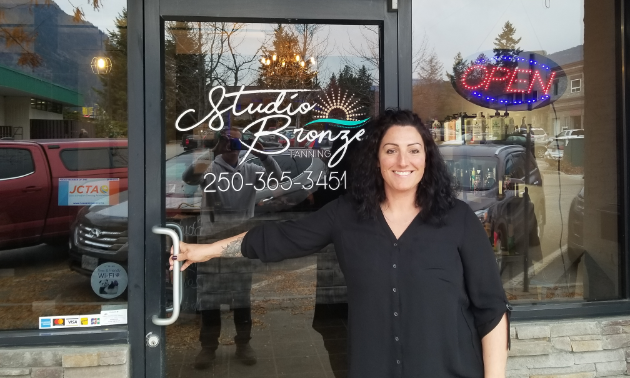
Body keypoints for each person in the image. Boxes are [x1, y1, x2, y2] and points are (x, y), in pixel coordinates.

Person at [172, 110, 510, 377]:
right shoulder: (347, 215)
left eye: (414, 150)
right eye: (390, 150)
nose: (402, 161)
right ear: (376, 159)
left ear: (427, 159)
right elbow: (279, 238)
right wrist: (206, 249)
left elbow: (491, 310)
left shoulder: (458, 220)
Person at [181, 127, 282, 369]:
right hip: (211, 240)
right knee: (210, 299)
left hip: (240, 242)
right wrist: (210, 153)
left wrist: (261, 153)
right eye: (227, 142)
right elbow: (188, 179)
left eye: (236, 143)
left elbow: (277, 177)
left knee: (242, 298)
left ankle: (243, 344)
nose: (232, 148)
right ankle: (208, 348)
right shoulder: (211, 168)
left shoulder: (250, 169)